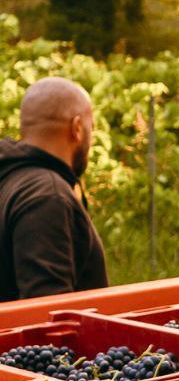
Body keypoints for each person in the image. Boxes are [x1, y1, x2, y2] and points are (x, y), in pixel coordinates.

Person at [0, 78, 108, 300]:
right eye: (91, 127)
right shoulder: (48, 196)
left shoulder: (9, 179)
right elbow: (47, 314)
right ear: (77, 128)